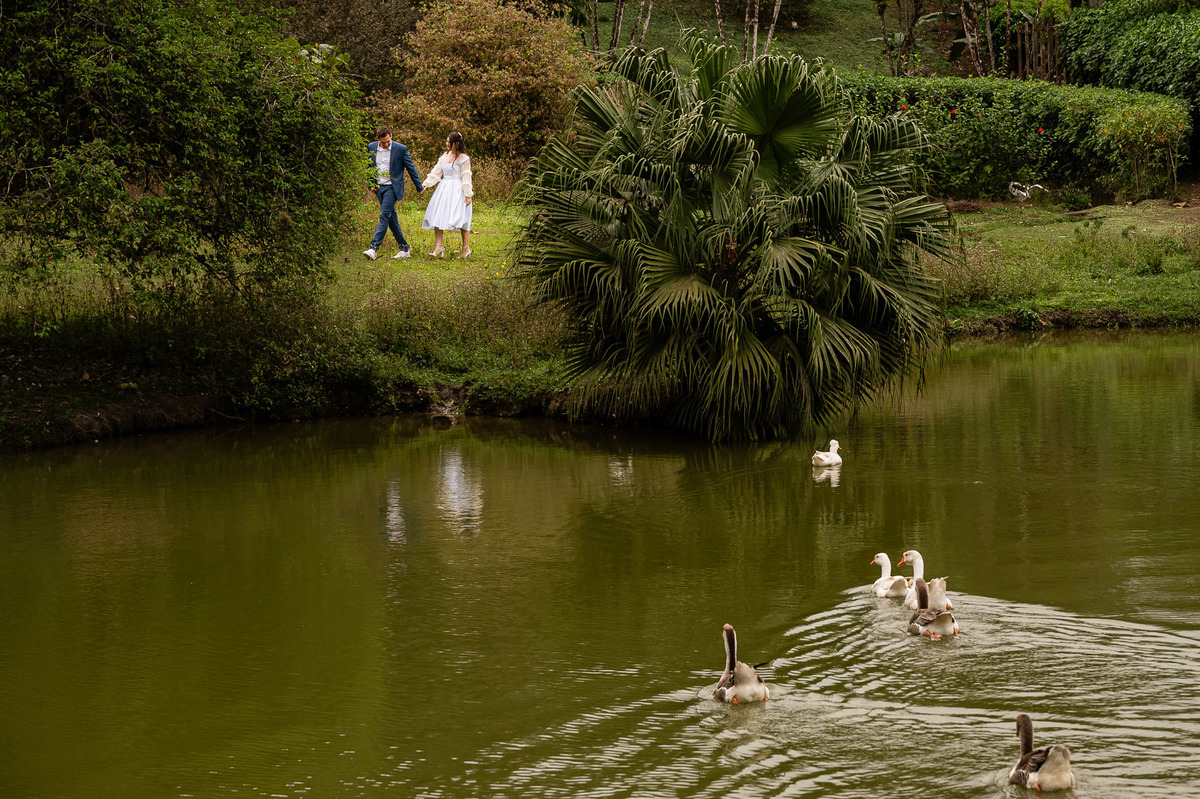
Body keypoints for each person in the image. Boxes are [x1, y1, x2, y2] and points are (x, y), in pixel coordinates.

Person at [364, 127, 424, 261]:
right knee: (392, 220)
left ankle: (373, 248)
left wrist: (419, 186)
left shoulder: (400, 149)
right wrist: (371, 184)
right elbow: (370, 167)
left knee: (384, 215)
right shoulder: (372, 147)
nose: (386, 144)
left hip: (392, 187)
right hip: (379, 188)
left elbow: (411, 168)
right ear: (377, 139)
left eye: (388, 141)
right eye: (383, 142)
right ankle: (404, 249)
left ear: (391, 136)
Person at [421, 132, 473, 259]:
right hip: (444, 189)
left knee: (462, 218)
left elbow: (466, 176)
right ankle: (438, 247)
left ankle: (465, 248)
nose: (447, 144)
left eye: (449, 142)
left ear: (456, 143)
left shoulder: (464, 158)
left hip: (457, 189)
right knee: (438, 215)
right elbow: (436, 171)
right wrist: (426, 183)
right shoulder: (444, 156)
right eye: (446, 141)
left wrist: (468, 195)